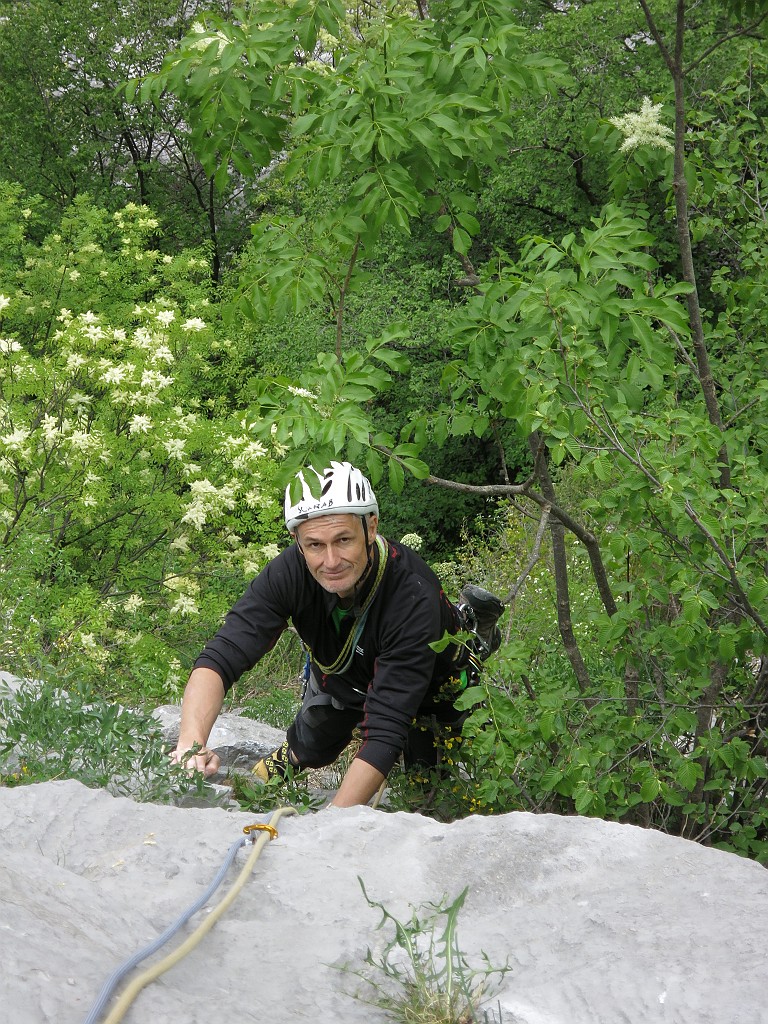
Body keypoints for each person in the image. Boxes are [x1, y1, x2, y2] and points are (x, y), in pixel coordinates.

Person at [171, 461, 503, 808]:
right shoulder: (290, 573)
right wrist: (189, 746)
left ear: (370, 528)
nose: (330, 561)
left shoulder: (411, 595)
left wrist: (331, 825)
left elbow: (386, 729)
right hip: (349, 677)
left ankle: (472, 633)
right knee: (312, 739)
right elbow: (222, 656)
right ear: (297, 542)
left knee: (425, 790)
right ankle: (292, 757)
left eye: (343, 540)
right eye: (314, 545)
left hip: (432, 689)